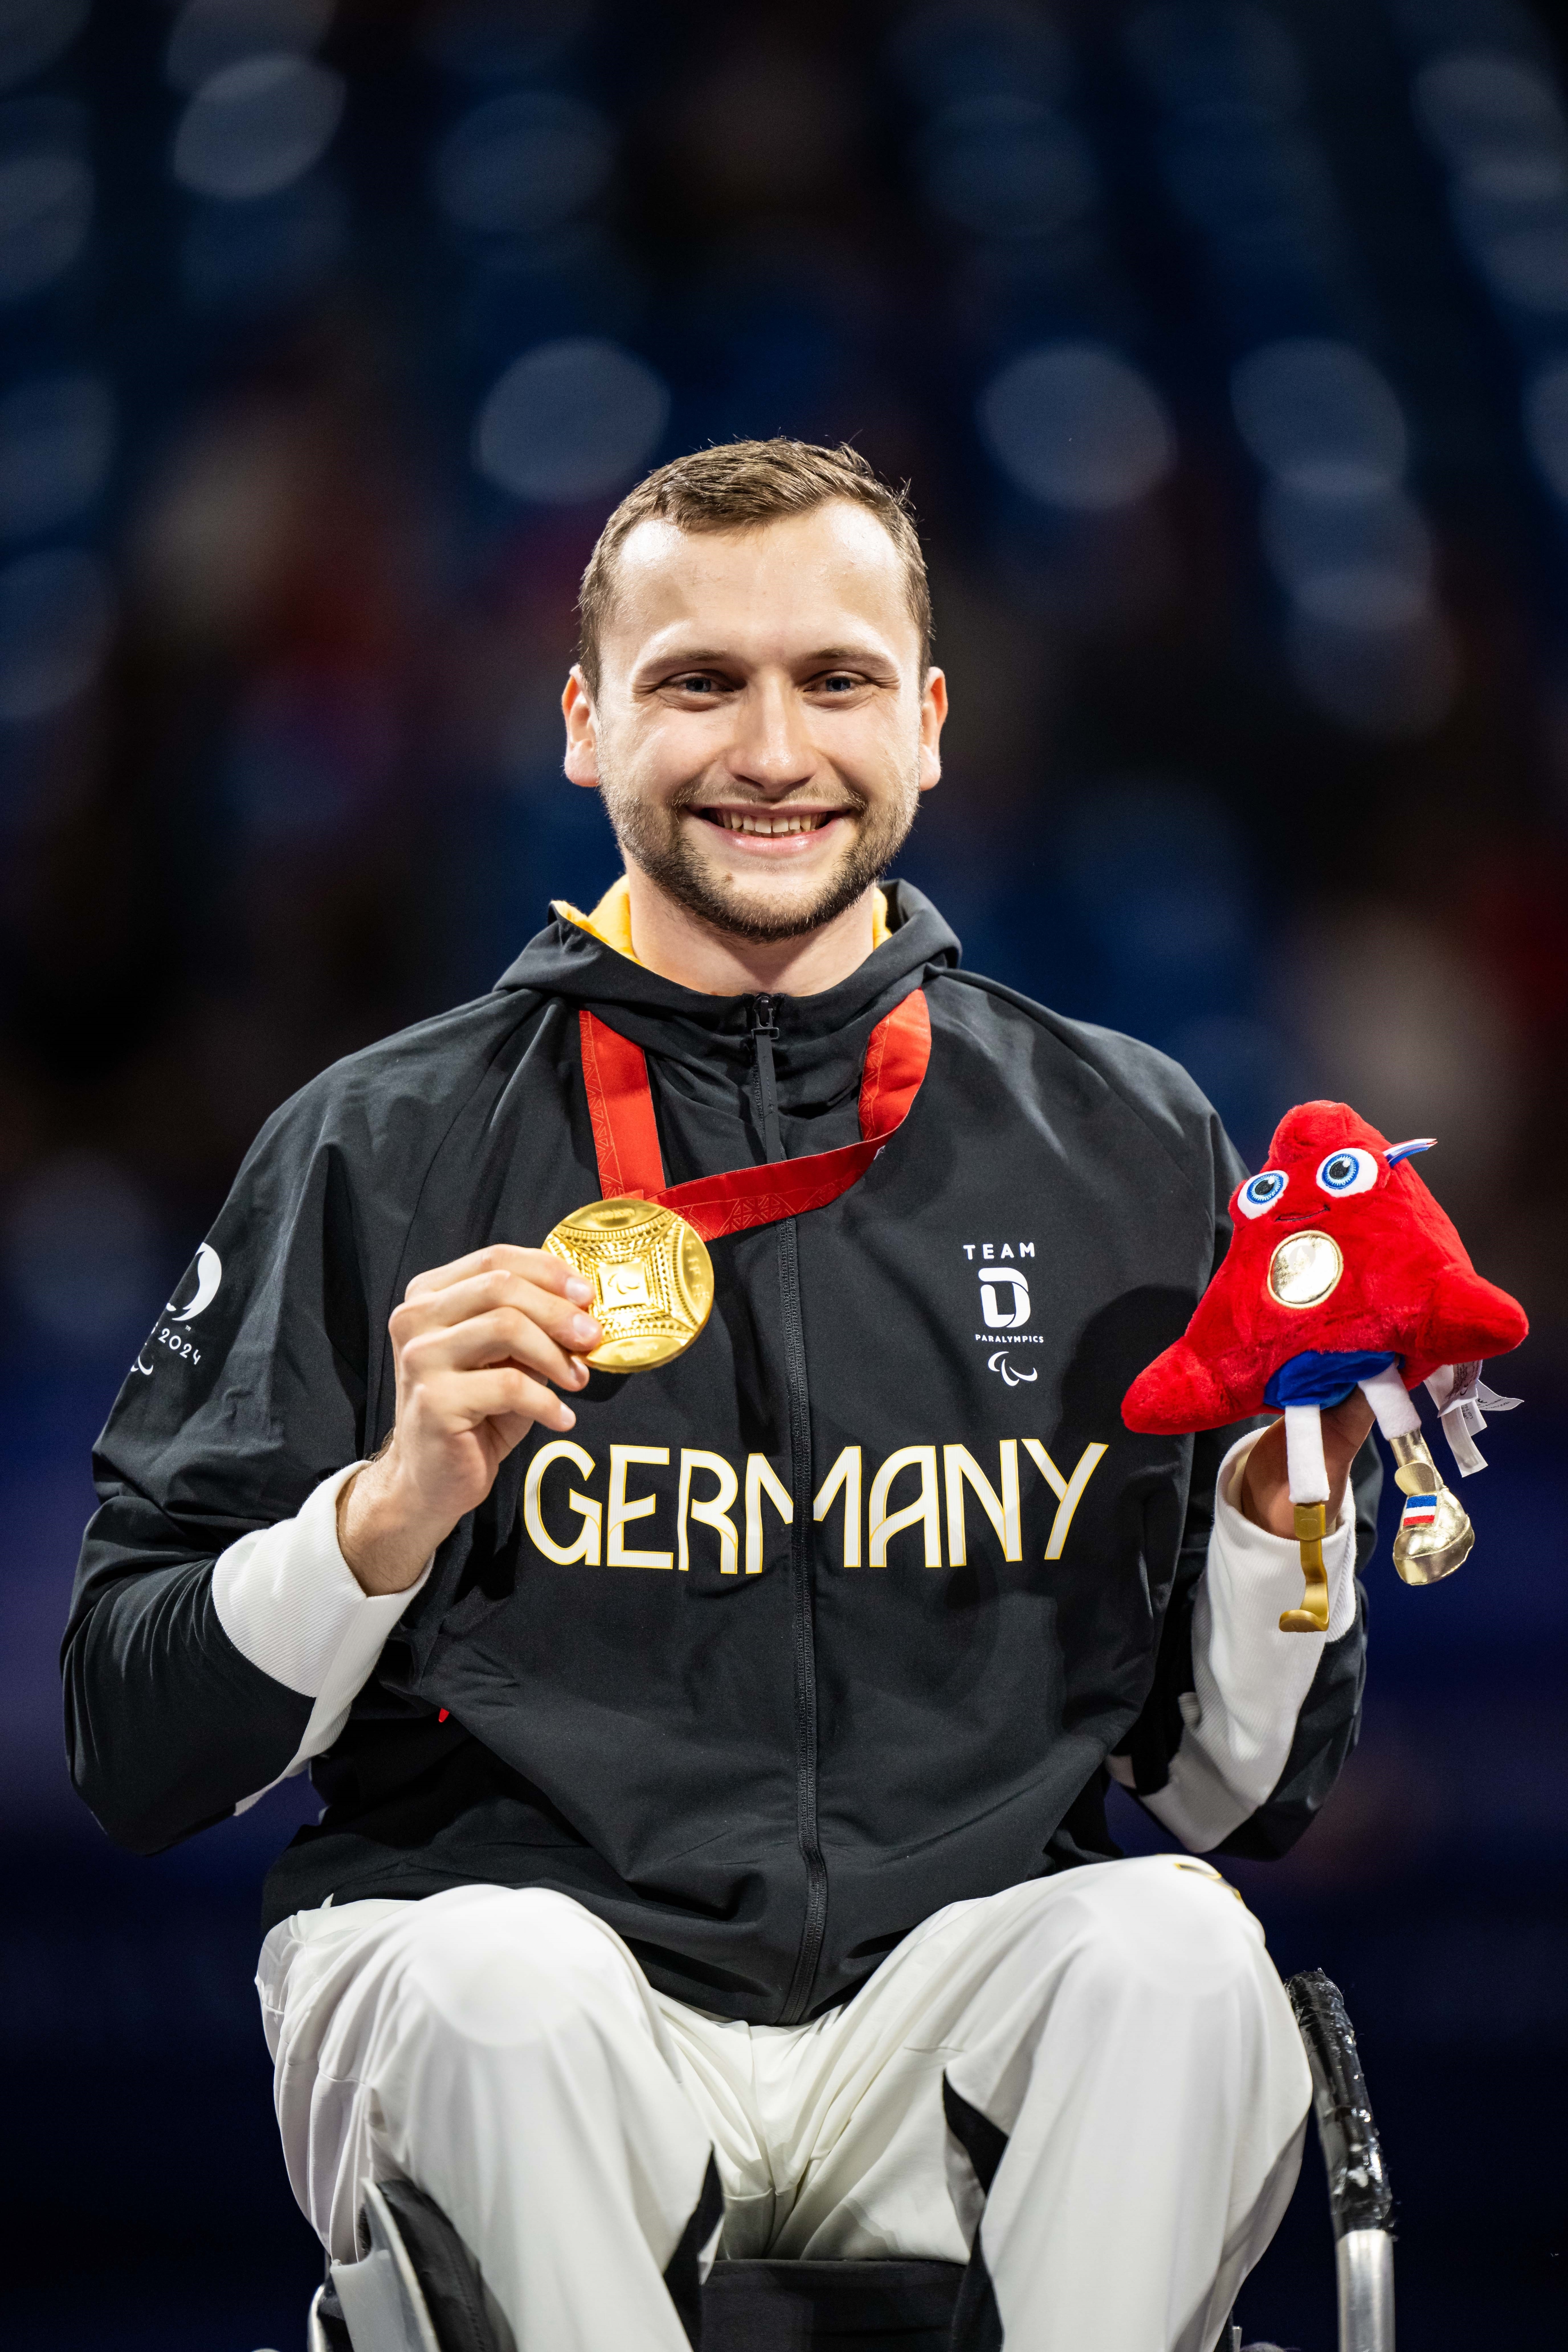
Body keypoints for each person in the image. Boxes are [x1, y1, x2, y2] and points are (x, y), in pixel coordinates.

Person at [65, 439, 1379, 2352]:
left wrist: (1281, 1533)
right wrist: (383, 1514)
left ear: (927, 726)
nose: (774, 748)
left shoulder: (1124, 1140)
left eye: (834, 681)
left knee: (1178, 1953)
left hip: (947, 1994)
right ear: (586, 724)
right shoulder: (379, 1143)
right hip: (534, 1988)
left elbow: (1235, 1796)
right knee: (493, 1986)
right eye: (699, 683)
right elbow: (131, 1740)